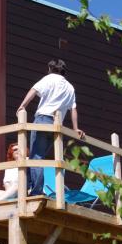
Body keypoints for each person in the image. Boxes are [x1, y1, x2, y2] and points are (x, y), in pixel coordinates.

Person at [18, 59, 85, 195]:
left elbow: (33, 91)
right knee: (39, 156)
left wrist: (22, 106)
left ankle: (36, 191)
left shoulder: (49, 79)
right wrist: (75, 128)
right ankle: (31, 187)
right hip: (56, 126)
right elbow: (73, 109)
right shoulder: (70, 87)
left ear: (50, 69)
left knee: (36, 157)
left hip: (43, 119)